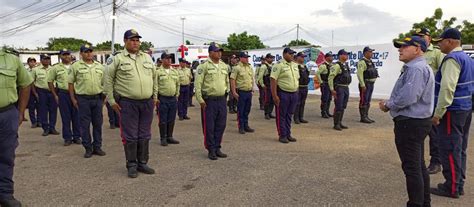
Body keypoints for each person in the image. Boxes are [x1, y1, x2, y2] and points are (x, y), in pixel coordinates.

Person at [380, 36, 434, 207]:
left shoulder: (416, 69)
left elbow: (409, 97)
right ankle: (424, 202)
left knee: (412, 168)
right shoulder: (418, 67)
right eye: (399, 47)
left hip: (410, 122)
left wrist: (388, 104)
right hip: (417, 121)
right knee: (418, 165)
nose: (400, 49)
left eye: (405, 46)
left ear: (418, 49)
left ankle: (416, 203)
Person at [105, 29, 157, 178]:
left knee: (144, 134)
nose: (135, 43)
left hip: (146, 102)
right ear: (125, 41)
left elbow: (155, 78)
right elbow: (108, 80)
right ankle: (132, 165)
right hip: (128, 103)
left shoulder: (147, 57)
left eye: (137, 40)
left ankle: (143, 163)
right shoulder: (116, 59)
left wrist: (154, 96)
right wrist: (111, 101)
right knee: (130, 135)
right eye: (132, 40)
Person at [429, 28, 474, 199]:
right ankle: (458, 183)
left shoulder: (452, 59)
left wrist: (438, 113)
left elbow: (447, 88)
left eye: (441, 41)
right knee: (460, 147)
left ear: (450, 42)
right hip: (465, 108)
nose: (439, 44)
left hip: (452, 111)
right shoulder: (467, 59)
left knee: (449, 148)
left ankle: (452, 187)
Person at [0, 48, 33, 207]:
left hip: (6, 115)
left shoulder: (11, 60)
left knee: (6, 156)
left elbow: (26, 84)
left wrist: (20, 112)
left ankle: (5, 194)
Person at [413, 28, 446, 175]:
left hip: (431, 98)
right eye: (417, 36)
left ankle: (436, 162)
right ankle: (418, 160)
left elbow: (443, 75)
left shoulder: (437, 53)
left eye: (422, 36)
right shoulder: (415, 52)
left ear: (429, 38)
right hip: (416, 99)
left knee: (433, 131)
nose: (419, 38)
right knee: (417, 131)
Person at [68, 44, 106, 158]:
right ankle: (88, 148)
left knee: (98, 124)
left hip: (97, 98)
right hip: (83, 99)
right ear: (81, 54)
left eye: (90, 51)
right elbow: (70, 83)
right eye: (86, 52)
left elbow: (104, 83)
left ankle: (97, 147)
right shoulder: (75, 66)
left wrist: (105, 98)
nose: (89, 53)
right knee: (84, 125)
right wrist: (73, 99)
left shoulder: (100, 67)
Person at [195, 43, 229, 160]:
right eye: (216, 51)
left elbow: (227, 82)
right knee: (209, 126)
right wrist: (200, 100)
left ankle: (217, 147)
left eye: (220, 51)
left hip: (221, 100)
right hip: (209, 100)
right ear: (210, 53)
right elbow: (198, 84)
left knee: (221, 125)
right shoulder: (203, 66)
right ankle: (211, 149)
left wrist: (227, 96)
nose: (219, 53)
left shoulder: (224, 66)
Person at [48, 49, 81, 146]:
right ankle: (67, 138)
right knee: (65, 117)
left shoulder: (76, 66)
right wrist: (55, 95)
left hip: (76, 93)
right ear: (60, 56)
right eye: (64, 55)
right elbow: (50, 81)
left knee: (77, 116)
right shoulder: (56, 68)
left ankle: (77, 136)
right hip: (63, 94)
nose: (66, 56)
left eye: (68, 54)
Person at [270, 48, 299, 144]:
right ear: (284, 54)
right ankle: (282, 135)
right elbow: (273, 80)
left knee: (289, 115)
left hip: (294, 93)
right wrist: (275, 96)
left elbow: (296, 79)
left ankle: (288, 134)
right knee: (281, 115)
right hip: (283, 93)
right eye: (290, 54)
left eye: (293, 54)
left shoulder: (295, 65)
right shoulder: (278, 65)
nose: (292, 55)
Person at [156, 53, 180, 146]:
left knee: (171, 119)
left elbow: (178, 84)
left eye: (170, 58)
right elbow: (155, 86)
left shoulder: (174, 71)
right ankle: (163, 138)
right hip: (163, 99)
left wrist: (177, 94)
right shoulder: (158, 72)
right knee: (163, 120)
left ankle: (170, 136)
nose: (169, 60)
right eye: (166, 58)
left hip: (173, 98)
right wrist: (156, 98)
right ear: (162, 60)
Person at [32, 54, 60, 136]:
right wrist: (35, 93)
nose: (47, 60)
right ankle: (45, 129)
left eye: (48, 59)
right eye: (45, 59)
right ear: (41, 60)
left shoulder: (54, 69)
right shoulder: (35, 70)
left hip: (53, 91)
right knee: (43, 110)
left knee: (53, 110)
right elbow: (32, 83)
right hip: (41, 92)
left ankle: (52, 128)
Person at [230, 52, 255, 134]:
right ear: (240, 58)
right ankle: (241, 127)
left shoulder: (249, 67)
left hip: (248, 91)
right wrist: (233, 92)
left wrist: (252, 88)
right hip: (241, 91)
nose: (247, 59)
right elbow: (232, 80)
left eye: (247, 57)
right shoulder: (236, 68)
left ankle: (246, 125)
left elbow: (251, 78)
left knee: (247, 109)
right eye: (245, 57)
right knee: (241, 110)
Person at [328, 49, 352, 131]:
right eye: (345, 54)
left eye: (347, 55)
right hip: (339, 88)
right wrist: (332, 89)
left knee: (343, 106)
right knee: (338, 106)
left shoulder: (345, 65)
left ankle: (340, 122)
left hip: (345, 87)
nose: (346, 56)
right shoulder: (337, 66)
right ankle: (336, 124)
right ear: (340, 56)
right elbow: (330, 77)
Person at [357, 46, 378, 124]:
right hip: (365, 84)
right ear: (365, 53)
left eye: (372, 52)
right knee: (364, 100)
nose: (371, 53)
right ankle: (363, 117)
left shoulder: (370, 61)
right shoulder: (362, 62)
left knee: (368, 100)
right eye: (370, 52)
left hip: (370, 84)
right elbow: (359, 74)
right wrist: (362, 85)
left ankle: (366, 116)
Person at [258, 53, 276, 120]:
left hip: (272, 86)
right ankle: (266, 114)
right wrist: (262, 85)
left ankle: (270, 113)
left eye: (272, 58)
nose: (272, 59)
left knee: (272, 100)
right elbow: (260, 77)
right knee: (267, 100)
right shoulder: (264, 66)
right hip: (267, 86)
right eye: (270, 58)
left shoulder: (272, 66)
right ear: (267, 58)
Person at [294, 52, 310, 124]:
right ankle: (296, 118)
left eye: (304, 57)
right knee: (297, 103)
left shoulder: (304, 66)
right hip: (298, 87)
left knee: (302, 103)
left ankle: (301, 117)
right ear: (297, 57)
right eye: (302, 57)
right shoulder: (295, 66)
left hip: (305, 87)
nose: (303, 58)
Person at [316, 53, 334, 118]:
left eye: (332, 57)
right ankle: (323, 112)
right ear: (326, 58)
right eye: (330, 57)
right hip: (325, 84)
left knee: (329, 98)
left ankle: (327, 111)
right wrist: (321, 82)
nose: (332, 58)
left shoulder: (331, 65)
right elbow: (317, 73)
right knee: (325, 98)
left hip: (330, 84)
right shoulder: (323, 66)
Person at [26, 57, 41, 128]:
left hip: (37, 88)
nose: (32, 63)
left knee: (39, 106)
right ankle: (33, 122)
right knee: (31, 107)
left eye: (33, 62)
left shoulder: (38, 70)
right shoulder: (26, 71)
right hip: (29, 90)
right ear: (28, 63)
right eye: (30, 62)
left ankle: (39, 121)